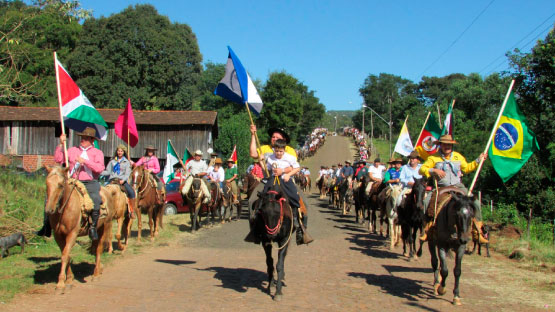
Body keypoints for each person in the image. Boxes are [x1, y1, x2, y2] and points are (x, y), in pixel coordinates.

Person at [37, 127, 105, 240]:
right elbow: (58, 159)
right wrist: (60, 144)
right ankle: (47, 225)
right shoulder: (72, 150)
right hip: (72, 181)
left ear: (92, 140)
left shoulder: (97, 153)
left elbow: (100, 168)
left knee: (96, 199)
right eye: (82, 137)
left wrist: (85, 162)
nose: (83, 139)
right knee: (50, 197)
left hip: (89, 182)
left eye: (86, 138)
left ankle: (92, 227)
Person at [418, 134, 488, 243]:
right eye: (445, 144)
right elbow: (422, 169)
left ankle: (477, 231)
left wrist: (478, 160)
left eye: (449, 145)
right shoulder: (433, 158)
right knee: (426, 202)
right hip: (442, 187)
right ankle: (427, 229)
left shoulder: (458, 156)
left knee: (476, 203)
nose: (447, 147)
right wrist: (434, 171)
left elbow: (467, 168)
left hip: (458, 186)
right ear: (440, 145)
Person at [245, 139, 313, 245]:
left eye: (281, 151)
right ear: (274, 150)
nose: (279, 153)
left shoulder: (289, 157)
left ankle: (296, 220)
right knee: (262, 197)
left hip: (285, 180)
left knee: (294, 197)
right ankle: (257, 220)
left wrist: (288, 175)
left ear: (284, 150)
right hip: (272, 180)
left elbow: (297, 168)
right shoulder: (271, 157)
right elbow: (266, 170)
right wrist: (261, 161)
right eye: (277, 151)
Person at [101, 144, 136, 217]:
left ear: (124, 152)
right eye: (118, 151)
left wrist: (123, 180)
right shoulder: (112, 161)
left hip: (121, 180)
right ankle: (102, 209)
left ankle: (131, 211)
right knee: (102, 191)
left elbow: (127, 173)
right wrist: (99, 172)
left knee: (132, 192)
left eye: (121, 151)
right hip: (112, 179)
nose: (119, 152)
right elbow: (108, 171)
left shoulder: (126, 162)